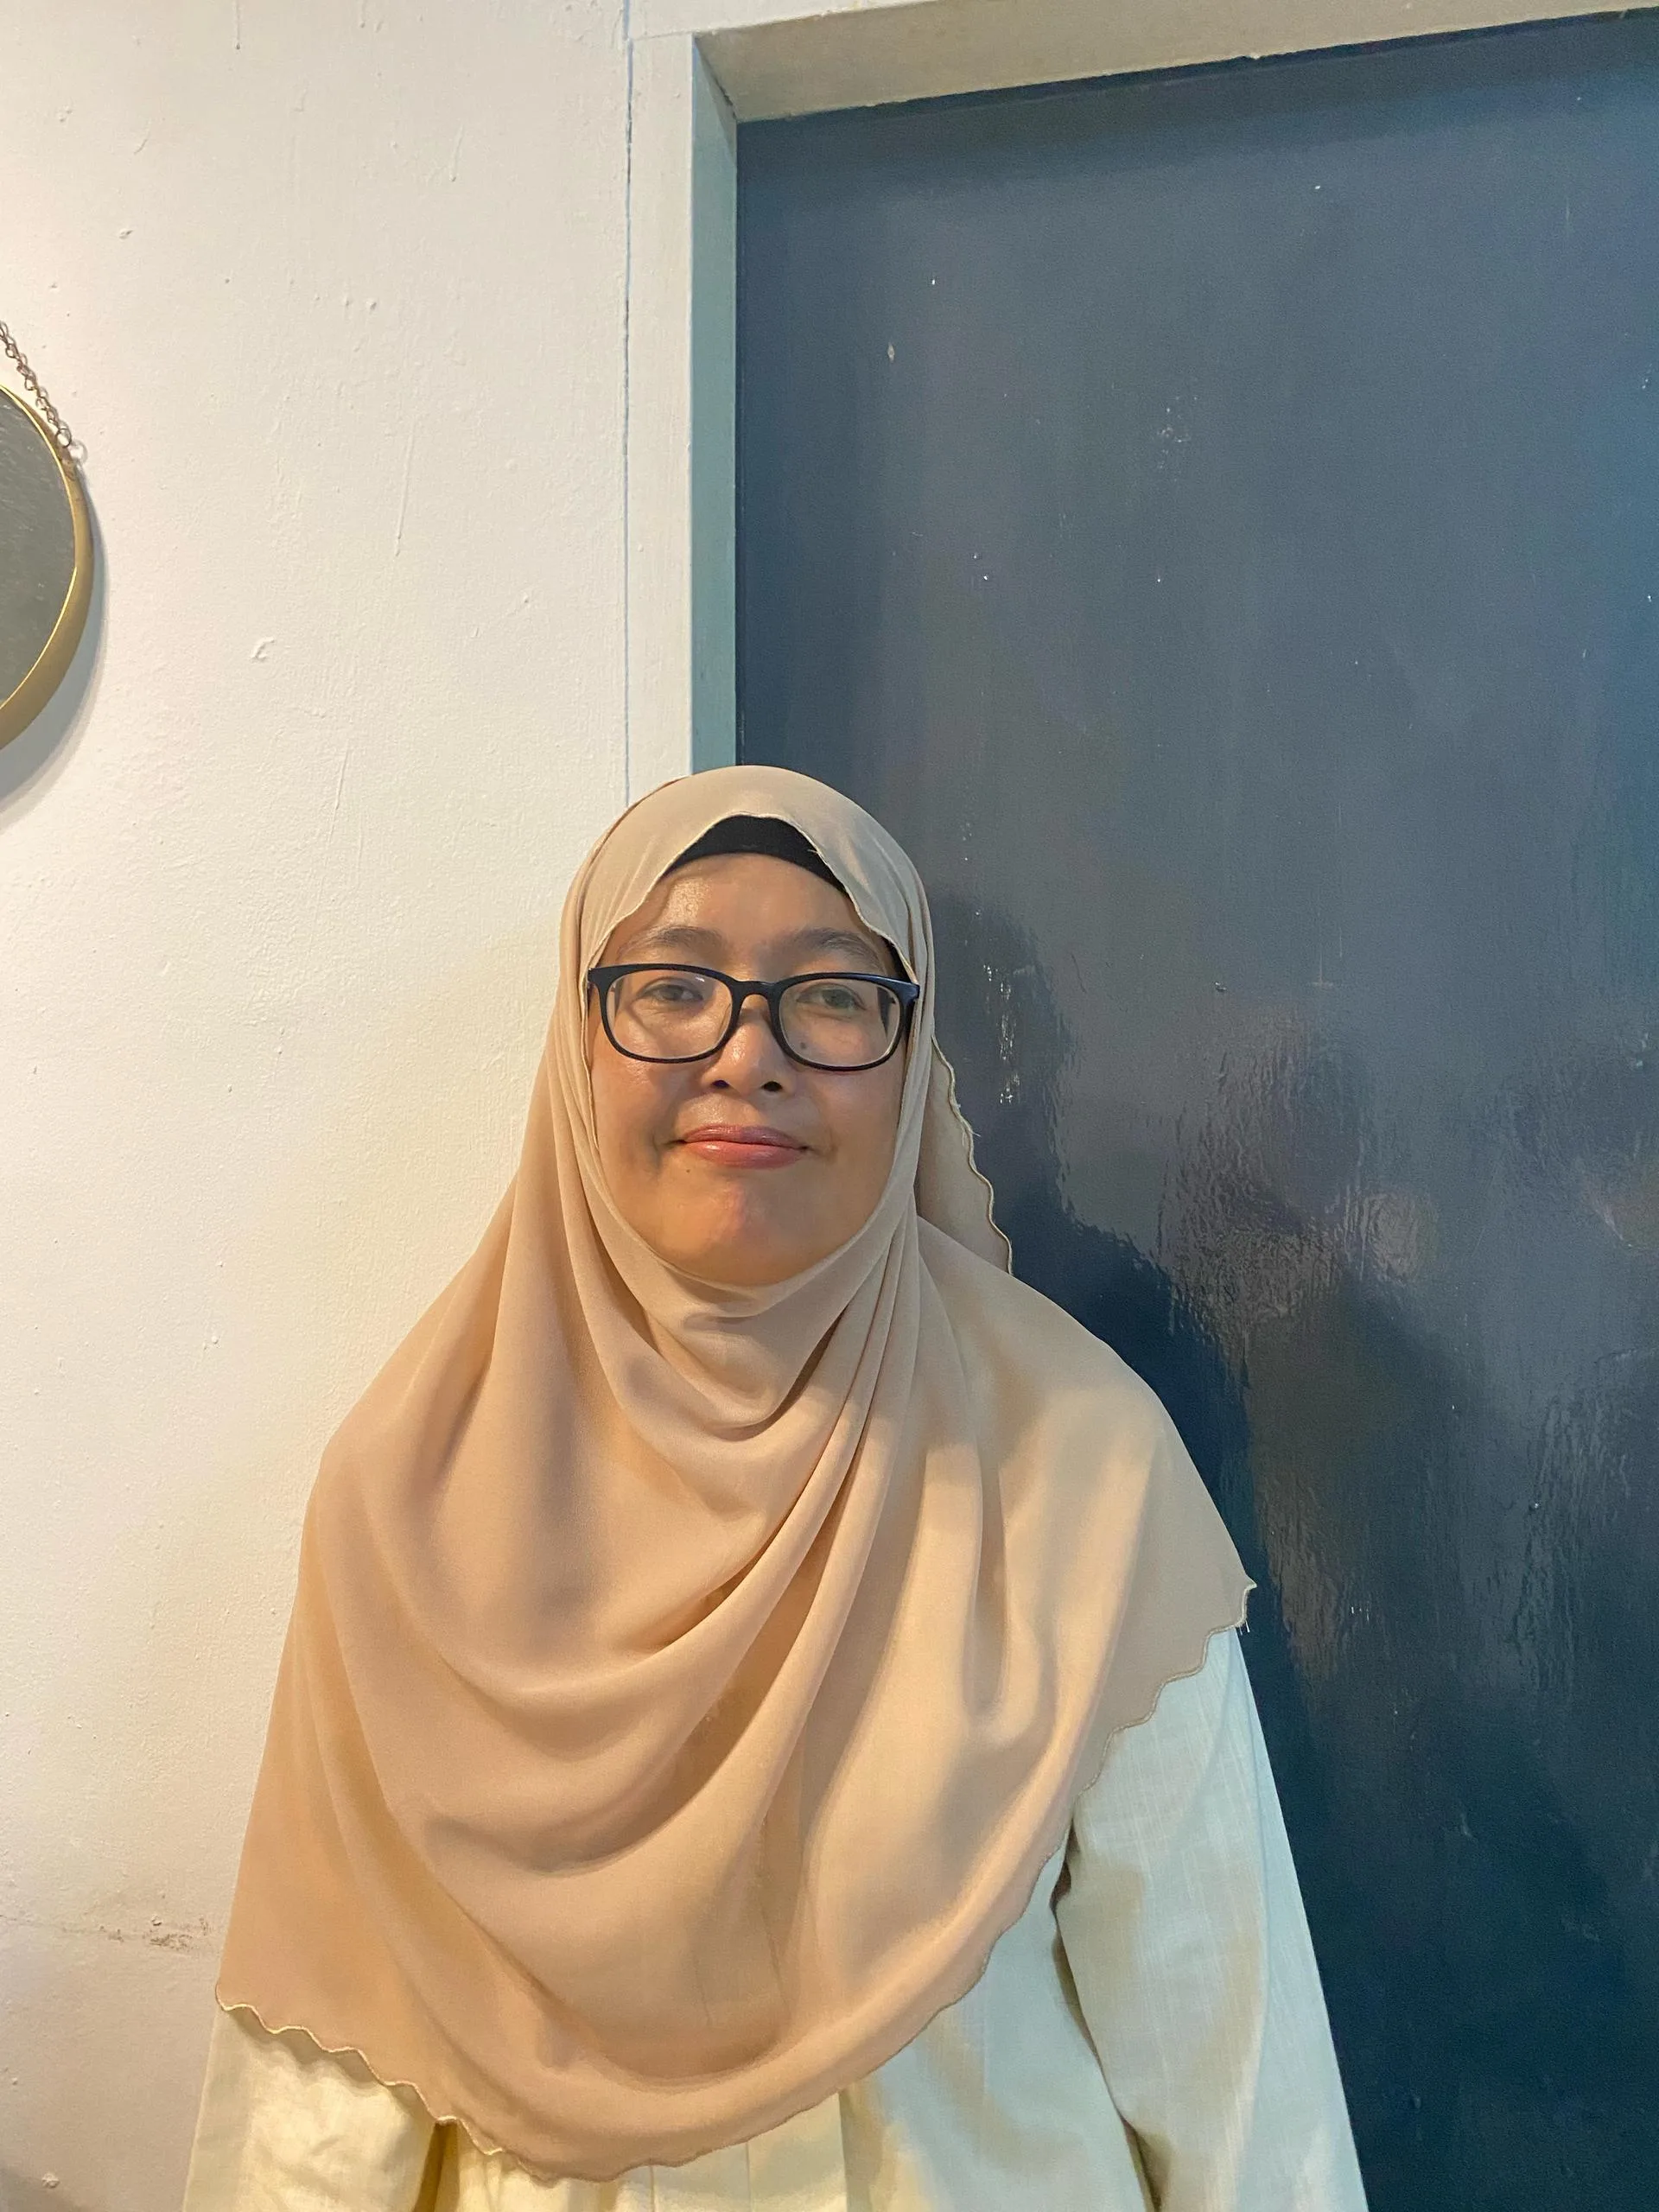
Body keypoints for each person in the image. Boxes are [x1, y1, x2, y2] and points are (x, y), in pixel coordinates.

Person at [181, 766, 1366, 2210]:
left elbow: (1230, 2058)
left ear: (910, 1056)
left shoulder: (1076, 1468)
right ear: (579, 1044)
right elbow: (329, 2076)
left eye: (833, 997)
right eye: (673, 989)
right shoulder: (411, 1498)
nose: (748, 1054)